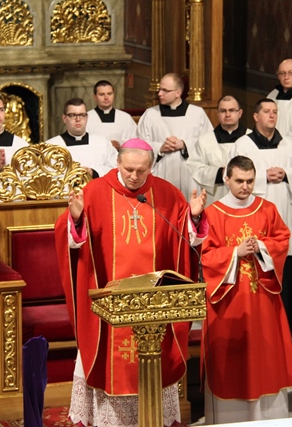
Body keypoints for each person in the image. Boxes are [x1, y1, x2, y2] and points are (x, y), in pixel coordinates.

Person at [54, 138, 208, 427]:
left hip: (154, 307)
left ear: (151, 167)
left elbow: (185, 238)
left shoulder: (167, 194)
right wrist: (76, 220)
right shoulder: (94, 192)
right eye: (129, 170)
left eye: (141, 171)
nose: (135, 176)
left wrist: (195, 217)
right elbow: (71, 240)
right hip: (108, 307)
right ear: (117, 162)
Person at [201, 155, 292, 423]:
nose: (245, 187)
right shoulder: (213, 213)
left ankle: (268, 418)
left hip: (262, 299)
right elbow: (205, 255)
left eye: (250, 181)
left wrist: (262, 247)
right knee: (233, 360)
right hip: (229, 300)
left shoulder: (267, 209)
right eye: (239, 181)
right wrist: (235, 252)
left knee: (265, 356)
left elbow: (283, 240)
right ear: (226, 179)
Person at [231, 98, 292, 336]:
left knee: (285, 261)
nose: (272, 115)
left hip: (284, 211)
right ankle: (259, 320)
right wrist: (263, 177)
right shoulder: (243, 144)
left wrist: (287, 174)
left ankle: (289, 323)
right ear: (256, 117)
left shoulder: (289, 145)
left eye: (275, 111)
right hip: (255, 213)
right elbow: (233, 176)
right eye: (266, 111)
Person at [137, 72, 213, 200]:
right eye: (159, 89)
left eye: (165, 90)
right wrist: (160, 148)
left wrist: (184, 144)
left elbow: (208, 142)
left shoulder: (197, 114)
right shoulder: (150, 114)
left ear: (178, 93)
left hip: (188, 172)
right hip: (160, 170)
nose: (159, 93)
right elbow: (140, 144)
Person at [187, 95, 250, 205]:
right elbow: (195, 168)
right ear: (218, 114)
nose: (227, 114)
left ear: (240, 113)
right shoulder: (204, 140)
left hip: (245, 199)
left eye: (232, 110)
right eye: (223, 111)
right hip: (216, 198)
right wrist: (219, 173)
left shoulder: (250, 138)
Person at [45, 97, 116, 178]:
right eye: (72, 115)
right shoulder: (51, 146)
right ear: (64, 118)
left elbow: (116, 167)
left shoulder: (102, 143)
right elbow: (45, 175)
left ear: (87, 117)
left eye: (82, 115)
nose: (78, 119)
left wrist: (94, 172)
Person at [86, 80, 137, 150]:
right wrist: (107, 145)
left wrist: (120, 145)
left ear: (114, 95)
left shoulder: (125, 117)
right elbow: (85, 143)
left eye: (109, 94)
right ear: (95, 97)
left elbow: (135, 141)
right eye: (102, 94)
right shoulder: (87, 118)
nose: (106, 98)